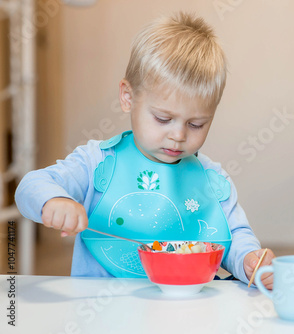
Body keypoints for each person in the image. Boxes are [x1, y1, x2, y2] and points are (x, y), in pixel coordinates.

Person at [15, 12, 274, 288]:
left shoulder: (211, 179)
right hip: (101, 315)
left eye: (196, 124)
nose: (178, 135)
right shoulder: (97, 162)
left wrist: (249, 260)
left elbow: (233, 235)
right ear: (128, 97)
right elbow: (31, 185)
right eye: (163, 119)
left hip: (187, 314)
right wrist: (53, 201)